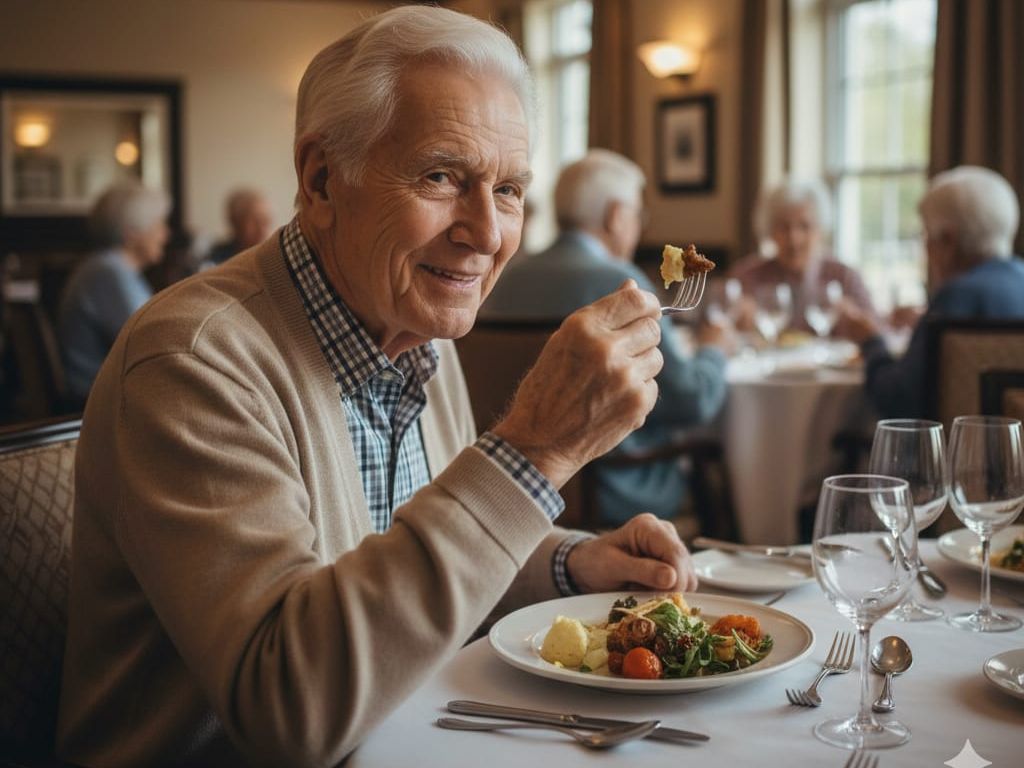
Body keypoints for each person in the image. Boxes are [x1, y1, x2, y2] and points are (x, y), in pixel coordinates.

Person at [56, 8, 698, 767]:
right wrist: (534, 451)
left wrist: (567, 565)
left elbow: (400, 571)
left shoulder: (414, 327)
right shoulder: (192, 360)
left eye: (511, 189)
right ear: (321, 178)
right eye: (441, 176)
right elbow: (291, 710)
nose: (487, 233)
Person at [481, 149, 728, 524]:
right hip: (615, 486)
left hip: (517, 486)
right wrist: (714, 350)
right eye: (637, 216)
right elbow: (691, 400)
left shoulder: (505, 278)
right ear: (616, 216)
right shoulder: (621, 284)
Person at [841, 165, 1024, 418]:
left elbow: (897, 400)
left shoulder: (957, 295)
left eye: (926, 235)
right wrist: (928, 320)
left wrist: (871, 341)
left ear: (947, 241)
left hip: (957, 451)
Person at [56, 182, 170, 404]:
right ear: (132, 232)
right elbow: (150, 341)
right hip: (97, 404)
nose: (165, 234)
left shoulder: (108, 267)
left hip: (103, 396)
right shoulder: (109, 272)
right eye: (159, 225)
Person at [728, 178, 878, 338]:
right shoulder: (746, 276)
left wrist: (857, 320)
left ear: (820, 230)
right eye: (784, 227)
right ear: (769, 231)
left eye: (804, 226)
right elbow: (717, 332)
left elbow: (879, 333)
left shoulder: (845, 276)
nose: (794, 238)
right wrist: (734, 322)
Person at [205, 187, 273, 265]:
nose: (262, 229)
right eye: (254, 221)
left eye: (265, 220)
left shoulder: (275, 259)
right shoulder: (215, 260)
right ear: (234, 222)